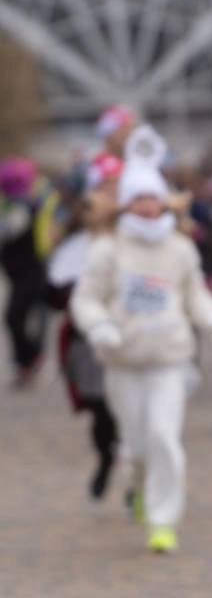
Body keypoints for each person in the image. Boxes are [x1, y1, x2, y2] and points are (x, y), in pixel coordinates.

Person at [71, 139, 212, 553]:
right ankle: (141, 486)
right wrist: (99, 325)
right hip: (123, 360)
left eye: (153, 198)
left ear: (166, 203)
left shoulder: (179, 248)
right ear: (125, 204)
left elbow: (195, 294)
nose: (147, 206)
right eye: (138, 199)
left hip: (169, 358)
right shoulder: (108, 249)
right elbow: (85, 298)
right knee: (137, 444)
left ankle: (163, 521)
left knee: (164, 436)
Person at [44, 156, 123, 502]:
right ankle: (106, 457)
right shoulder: (76, 241)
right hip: (88, 335)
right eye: (105, 189)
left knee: (138, 406)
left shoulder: (147, 228)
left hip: (137, 334)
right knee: (101, 407)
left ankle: (138, 474)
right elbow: (55, 292)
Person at [0, 157, 57, 387]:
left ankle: (31, 358)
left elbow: (7, 232)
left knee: (16, 317)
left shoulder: (24, 207)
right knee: (18, 318)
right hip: (20, 272)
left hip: (32, 270)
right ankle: (28, 360)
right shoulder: (16, 205)